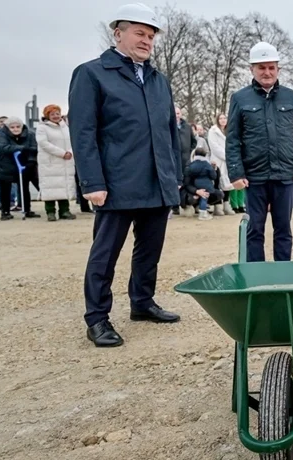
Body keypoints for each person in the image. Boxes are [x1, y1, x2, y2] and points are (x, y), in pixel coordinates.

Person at [69, 3, 183, 348]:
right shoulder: (92, 74)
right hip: (116, 182)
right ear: (118, 33)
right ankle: (97, 318)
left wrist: (173, 174)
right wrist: (93, 182)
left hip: (156, 181)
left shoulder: (158, 80)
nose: (146, 40)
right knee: (105, 253)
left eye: (150, 36)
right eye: (139, 33)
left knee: (150, 249)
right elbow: (83, 131)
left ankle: (142, 302)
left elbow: (169, 132)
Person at [225, 41, 293, 262]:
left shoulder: (292, 98)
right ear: (252, 69)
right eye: (261, 67)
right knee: (254, 229)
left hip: (285, 175)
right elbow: (233, 139)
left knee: (283, 229)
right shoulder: (240, 99)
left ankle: (282, 274)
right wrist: (236, 173)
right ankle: (256, 277)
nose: (267, 72)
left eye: (271, 67)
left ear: (278, 69)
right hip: (254, 177)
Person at [35, 104, 78, 221]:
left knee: (63, 187)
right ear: (47, 115)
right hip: (50, 162)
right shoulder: (42, 128)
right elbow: (43, 143)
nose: (55, 116)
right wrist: (62, 153)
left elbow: (73, 140)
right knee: (50, 188)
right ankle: (50, 212)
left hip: (65, 162)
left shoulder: (65, 127)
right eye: (52, 114)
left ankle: (65, 210)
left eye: (57, 113)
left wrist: (70, 152)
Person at [0, 117, 40, 219]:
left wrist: (31, 162)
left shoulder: (30, 134)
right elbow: (2, 147)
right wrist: (22, 148)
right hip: (5, 165)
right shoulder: (2, 134)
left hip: (24, 165)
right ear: (8, 127)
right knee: (5, 189)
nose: (15, 129)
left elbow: (35, 148)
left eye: (18, 126)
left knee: (24, 188)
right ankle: (5, 211)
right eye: (12, 127)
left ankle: (27, 209)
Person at [207, 113, 238, 215]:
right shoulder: (213, 131)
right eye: (221, 118)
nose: (223, 120)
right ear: (217, 120)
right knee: (218, 182)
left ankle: (226, 205)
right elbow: (214, 146)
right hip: (217, 160)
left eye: (224, 118)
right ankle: (217, 206)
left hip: (228, 160)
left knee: (228, 183)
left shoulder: (230, 130)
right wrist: (226, 155)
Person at [183, 148, 225, 221]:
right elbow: (213, 176)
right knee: (205, 196)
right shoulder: (207, 165)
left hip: (195, 186)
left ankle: (201, 209)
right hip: (203, 187)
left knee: (205, 196)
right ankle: (202, 212)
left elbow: (186, 182)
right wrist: (196, 191)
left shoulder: (190, 166)